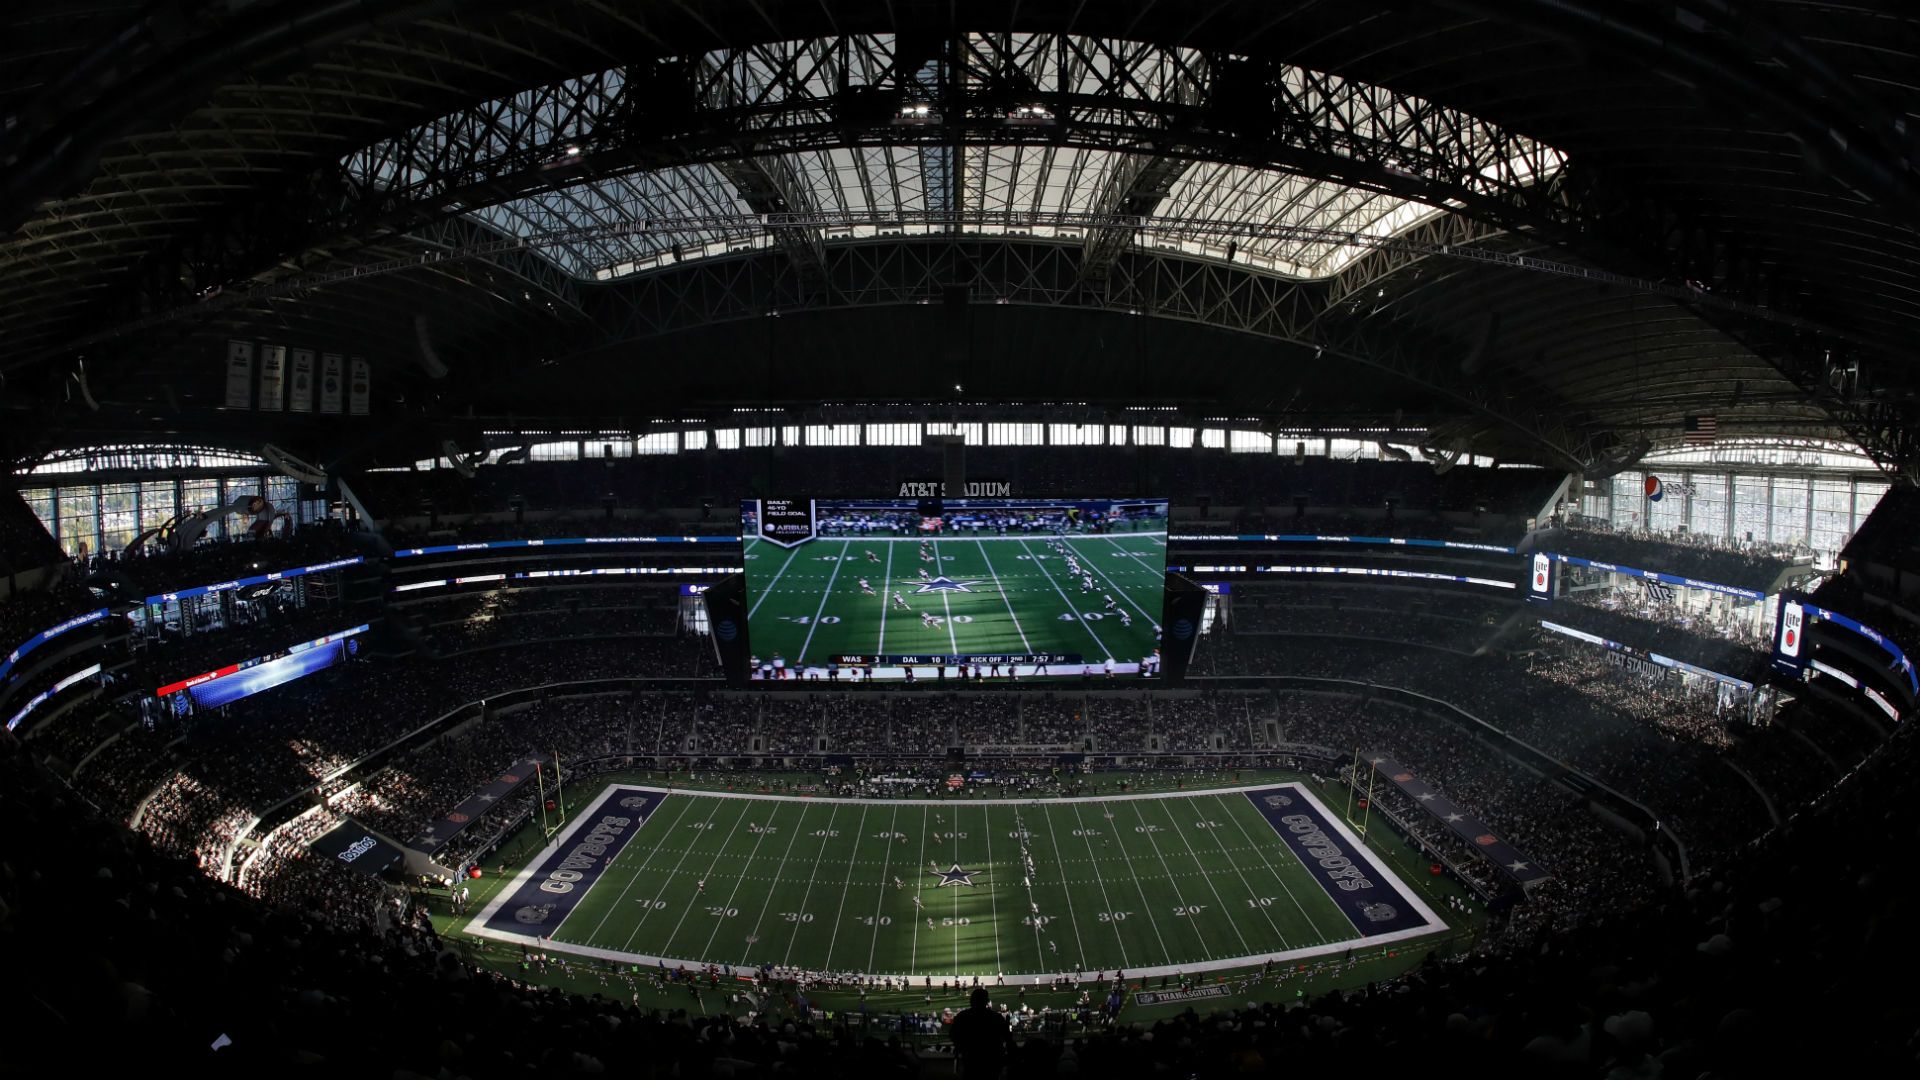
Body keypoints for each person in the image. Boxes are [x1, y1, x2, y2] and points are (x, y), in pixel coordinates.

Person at [951, 986, 1012, 1079]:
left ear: (971, 1000)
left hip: (970, 1060)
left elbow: (953, 1035)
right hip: (992, 1060)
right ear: (987, 1001)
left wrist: (963, 1047)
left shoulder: (962, 1016)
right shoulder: (996, 1017)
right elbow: (1007, 1038)